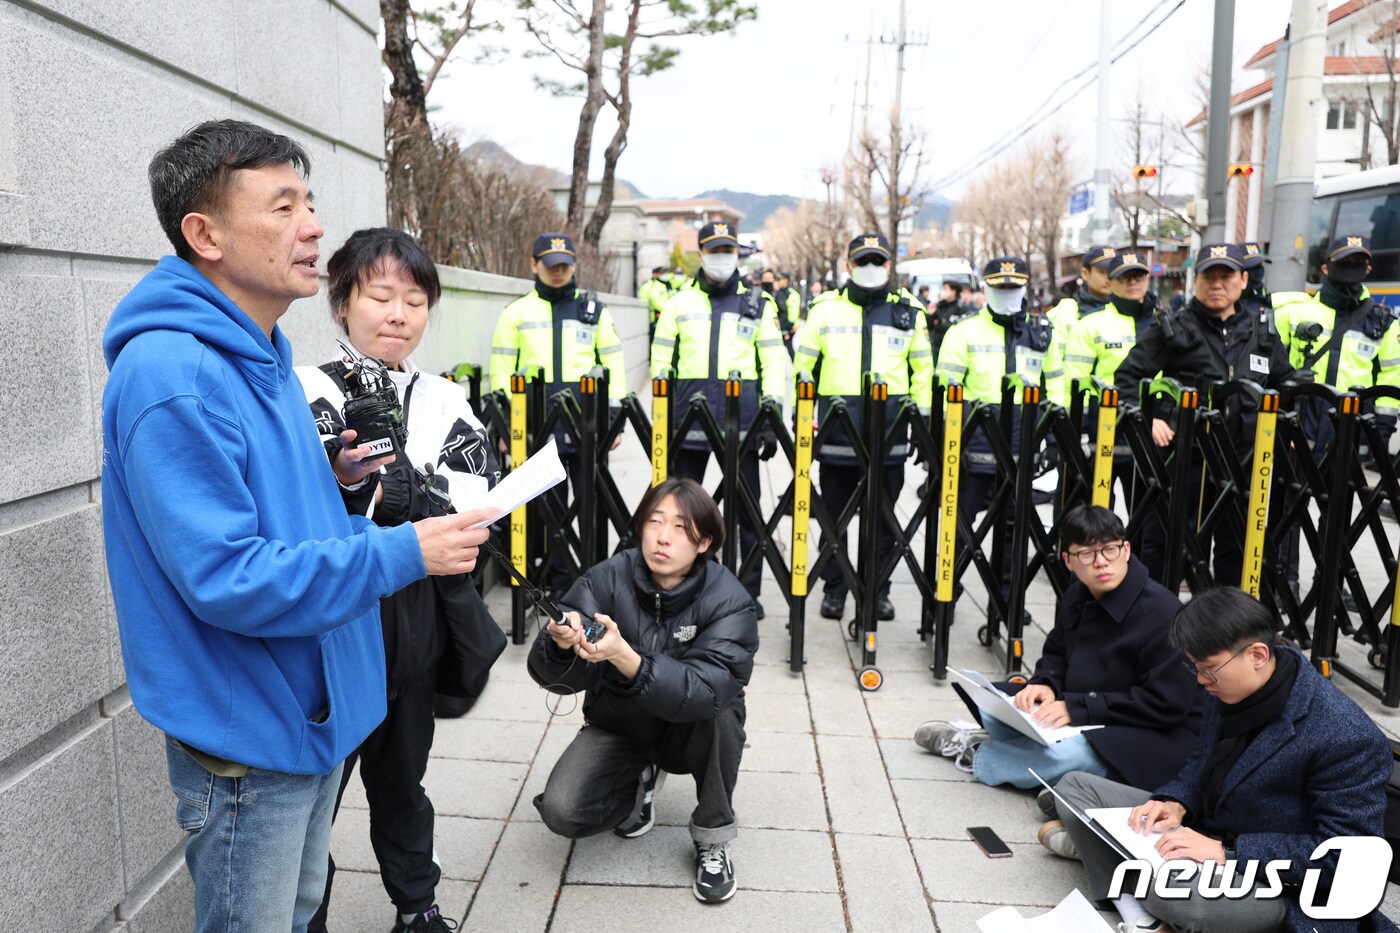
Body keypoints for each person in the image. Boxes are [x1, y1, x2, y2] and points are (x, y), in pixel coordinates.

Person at [101, 119, 493, 932]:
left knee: (298, 910)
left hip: (310, 716)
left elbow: (268, 511)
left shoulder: (261, 349)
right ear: (203, 234)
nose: (314, 226)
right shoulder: (175, 374)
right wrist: (403, 549)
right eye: (282, 207)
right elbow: (228, 576)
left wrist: (337, 483)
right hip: (252, 740)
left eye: (309, 202)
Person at [300, 229, 502, 933]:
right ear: (341, 302)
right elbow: (321, 499)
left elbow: (476, 509)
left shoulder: (447, 400)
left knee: (401, 781)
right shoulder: (307, 386)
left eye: (415, 300)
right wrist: (411, 502)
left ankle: (418, 906)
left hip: (412, 626)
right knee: (314, 795)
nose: (398, 314)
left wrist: (398, 498)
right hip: (332, 627)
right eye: (380, 295)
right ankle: (306, 914)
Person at [1047, 587, 1395, 933]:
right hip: (1207, 833)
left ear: (1257, 654)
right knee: (1073, 788)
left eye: (1209, 669)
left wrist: (1228, 850)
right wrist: (1178, 801)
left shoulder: (1346, 736)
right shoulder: (1228, 687)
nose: (1200, 680)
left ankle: (1115, 863)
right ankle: (1139, 907)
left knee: (1183, 901)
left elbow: (1344, 858)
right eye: (1195, 667)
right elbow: (1201, 761)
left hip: (1277, 883)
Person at [529, 478, 759, 904]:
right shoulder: (607, 578)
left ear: (705, 541)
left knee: (723, 713)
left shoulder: (730, 600)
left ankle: (713, 837)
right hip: (622, 723)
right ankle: (639, 782)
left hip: (691, 728)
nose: (663, 537)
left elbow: (705, 691)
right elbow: (555, 677)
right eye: (655, 522)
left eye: (680, 527)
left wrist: (623, 655)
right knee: (563, 810)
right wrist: (560, 646)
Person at [916, 505, 1200, 793]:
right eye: (1087, 554)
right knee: (996, 701)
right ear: (1068, 561)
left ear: (1126, 550)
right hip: (1084, 709)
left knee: (1074, 754)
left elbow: (1165, 704)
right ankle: (1053, 773)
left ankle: (976, 752)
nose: (1101, 562)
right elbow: (1056, 652)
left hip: (1148, 729)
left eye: (1110, 550)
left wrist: (1079, 708)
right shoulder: (1078, 594)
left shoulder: (1163, 613)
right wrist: (1045, 683)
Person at [1115, 243, 1295, 587]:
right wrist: (1147, 417)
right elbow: (1128, 376)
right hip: (1186, 463)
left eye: (1225, 276)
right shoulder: (1174, 326)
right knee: (1170, 550)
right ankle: (1162, 630)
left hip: (1242, 461)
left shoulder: (1262, 331)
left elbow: (1284, 383)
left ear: (1243, 280)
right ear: (1195, 281)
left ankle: (1224, 634)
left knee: (1236, 552)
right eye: (1208, 276)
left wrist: (1285, 429)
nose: (1216, 284)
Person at [793, 233, 933, 621]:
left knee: (884, 520)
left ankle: (879, 588)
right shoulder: (824, 310)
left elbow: (922, 371)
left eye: (877, 261)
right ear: (849, 265)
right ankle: (835, 589)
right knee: (833, 519)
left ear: (889, 266)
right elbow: (803, 366)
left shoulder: (909, 312)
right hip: (837, 433)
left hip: (888, 433)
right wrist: (799, 414)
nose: (870, 268)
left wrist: (921, 422)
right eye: (863, 261)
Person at [651, 221, 787, 614]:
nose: (722, 258)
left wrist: (771, 416)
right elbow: (661, 364)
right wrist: (662, 419)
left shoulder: (757, 305)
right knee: (680, 512)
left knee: (747, 511)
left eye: (729, 251)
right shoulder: (678, 303)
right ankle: (681, 584)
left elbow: (774, 361)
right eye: (715, 250)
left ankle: (748, 593)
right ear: (701, 253)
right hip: (687, 423)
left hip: (741, 423)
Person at [489, 231, 626, 596]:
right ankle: (558, 579)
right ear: (534, 265)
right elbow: (500, 370)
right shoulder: (515, 313)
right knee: (549, 510)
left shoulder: (594, 311)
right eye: (550, 266)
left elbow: (613, 363)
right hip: (536, 426)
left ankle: (595, 577)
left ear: (574, 265)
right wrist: (505, 426)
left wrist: (615, 420)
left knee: (591, 507)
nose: (558, 272)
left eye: (565, 265)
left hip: (586, 426)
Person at [935, 256, 1053, 620]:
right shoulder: (963, 332)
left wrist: (1051, 433)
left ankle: (1005, 600)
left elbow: (1057, 384)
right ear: (985, 288)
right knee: (958, 527)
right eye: (999, 287)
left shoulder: (1041, 334)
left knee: (1013, 532)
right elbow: (945, 389)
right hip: (974, 446)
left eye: (1013, 288)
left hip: (1021, 447)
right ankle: (945, 595)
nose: (1006, 294)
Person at [1051, 251, 1160, 515]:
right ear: (1112, 282)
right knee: (1094, 515)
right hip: (1102, 432)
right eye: (1125, 277)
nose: (1133, 282)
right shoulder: (1091, 325)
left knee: (1148, 516)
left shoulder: (1164, 323)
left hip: (1151, 432)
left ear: (1147, 279)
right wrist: (1071, 431)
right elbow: (1074, 382)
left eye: (1139, 276)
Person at [639, 264, 673, 338]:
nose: (663, 275)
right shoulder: (651, 286)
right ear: (654, 274)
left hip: (662, 317)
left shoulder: (665, 285)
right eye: (661, 273)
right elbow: (656, 302)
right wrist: (669, 310)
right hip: (653, 318)